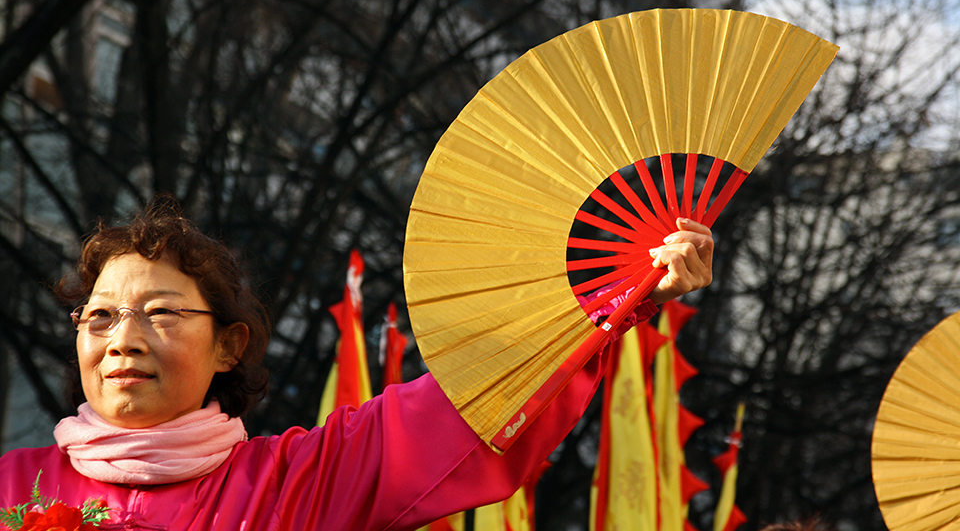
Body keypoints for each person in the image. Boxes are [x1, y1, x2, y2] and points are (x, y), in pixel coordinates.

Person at [0, 200, 714, 530]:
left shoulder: (303, 483)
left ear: (228, 346)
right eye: (99, 316)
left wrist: (624, 293)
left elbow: (467, 407)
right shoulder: (10, 483)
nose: (122, 338)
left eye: (160, 313)